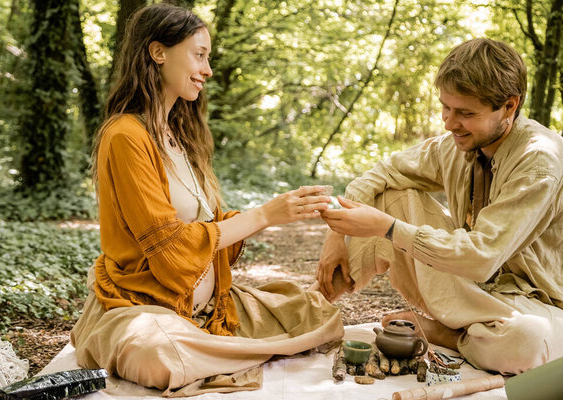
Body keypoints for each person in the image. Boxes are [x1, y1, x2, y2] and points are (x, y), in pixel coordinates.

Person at [70, 3, 343, 395]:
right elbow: (171, 249)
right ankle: (237, 350)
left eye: (208, 58)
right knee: (158, 354)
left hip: (207, 310)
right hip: (139, 307)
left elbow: (208, 228)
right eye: (199, 55)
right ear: (158, 52)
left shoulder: (181, 135)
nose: (208, 70)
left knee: (319, 316)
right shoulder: (125, 136)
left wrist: (283, 208)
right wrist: (265, 215)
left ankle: (223, 347)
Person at [316, 38, 563, 375]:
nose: (449, 122)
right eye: (445, 107)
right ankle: (309, 308)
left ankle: (443, 333)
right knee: (391, 197)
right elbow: (384, 172)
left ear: (509, 106)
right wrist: (336, 235)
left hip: (532, 304)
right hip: (472, 291)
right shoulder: (455, 145)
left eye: (465, 113)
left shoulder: (539, 160)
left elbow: (482, 256)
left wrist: (387, 228)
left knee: (526, 341)